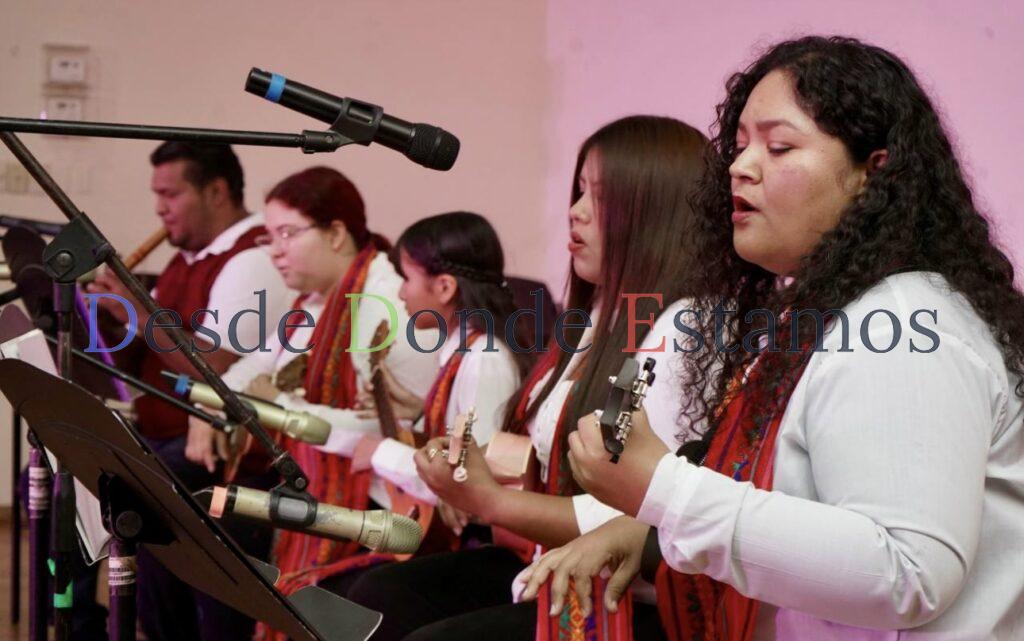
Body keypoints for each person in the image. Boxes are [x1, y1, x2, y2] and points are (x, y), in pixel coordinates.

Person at [520, 35, 1024, 641]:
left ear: (874, 170)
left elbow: (906, 570)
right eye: (738, 147)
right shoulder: (822, 314)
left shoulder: (903, 317)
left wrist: (666, 491)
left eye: (779, 146)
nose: (739, 166)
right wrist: (645, 523)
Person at [346, 115, 708, 641]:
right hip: (552, 554)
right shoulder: (599, 316)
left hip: (631, 592)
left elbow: (629, 509)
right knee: (381, 596)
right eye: (578, 191)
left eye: (598, 197)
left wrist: (488, 497)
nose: (575, 213)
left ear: (655, 212)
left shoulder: (684, 324)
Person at [190, 166, 437, 641]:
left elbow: (390, 431)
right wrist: (209, 409)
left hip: (382, 503)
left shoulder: (387, 305)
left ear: (337, 233)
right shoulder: (311, 303)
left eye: (288, 234)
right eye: (270, 236)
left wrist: (277, 403)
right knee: (200, 520)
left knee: (220, 535)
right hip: (315, 476)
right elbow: (250, 370)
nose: (275, 251)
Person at [88, 141, 291, 641]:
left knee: (140, 485)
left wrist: (138, 315)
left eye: (170, 194)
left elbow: (214, 366)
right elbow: (143, 362)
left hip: (223, 454)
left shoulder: (252, 259)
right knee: (86, 471)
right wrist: (107, 318)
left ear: (216, 191)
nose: (159, 208)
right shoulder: (187, 260)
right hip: (170, 445)